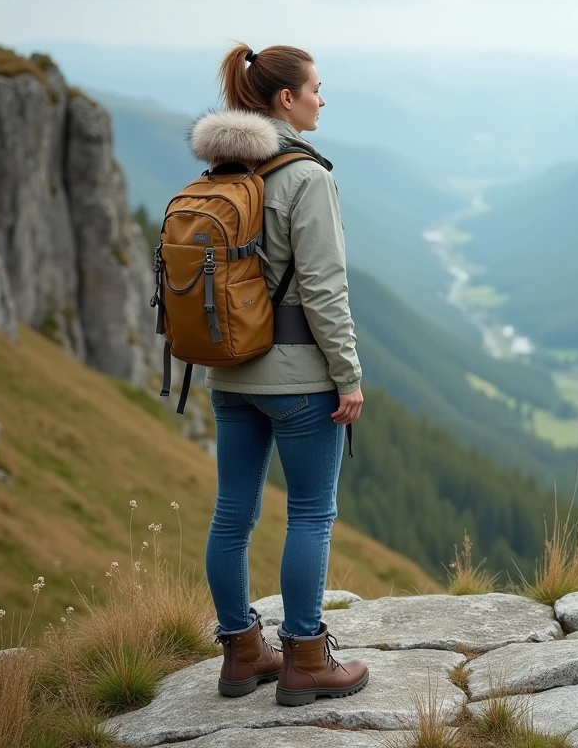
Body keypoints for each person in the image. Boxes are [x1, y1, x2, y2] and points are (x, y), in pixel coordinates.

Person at [187, 42, 367, 707]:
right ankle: (306, 661)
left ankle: (241, 654)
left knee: (232, 514)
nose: (323, 98)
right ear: (286, 99)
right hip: (298, 379)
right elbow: (323, 288)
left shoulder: (223, 171)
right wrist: (348, 374)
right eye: (316, 88)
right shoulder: (305, 176)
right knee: (311, 514)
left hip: (229, 373)